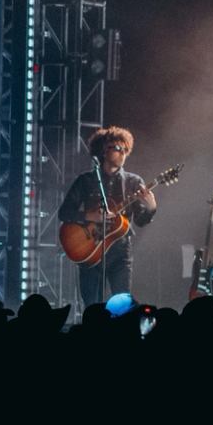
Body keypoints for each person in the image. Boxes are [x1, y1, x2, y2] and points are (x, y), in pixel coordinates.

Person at [55, 125, 157, 315]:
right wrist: (90, 216)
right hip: (90, 252)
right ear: (104, 149)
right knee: (93, 309)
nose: (122, 153)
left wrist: (151, 208)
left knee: (123, 307)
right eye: (118, 148)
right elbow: (65, 212)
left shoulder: (134, 182)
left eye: (126, 150)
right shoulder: (86, 180)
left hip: (120, 254)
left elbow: (141, 221)